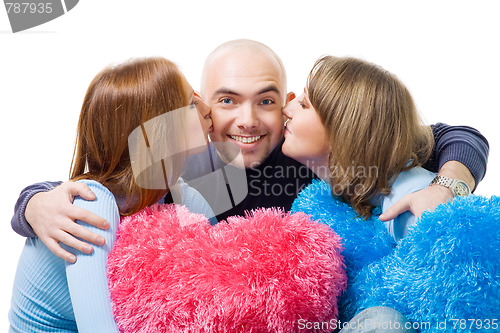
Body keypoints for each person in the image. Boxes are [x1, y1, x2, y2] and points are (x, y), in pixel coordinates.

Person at [10, 40, 489, 262]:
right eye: (226, 101)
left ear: (286, 102)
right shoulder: (183, 162)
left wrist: (447, 186)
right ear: (198, 106)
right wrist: (33, 203)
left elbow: (458, 136)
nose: (247, 120)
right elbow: (105, 184)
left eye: (265, 100)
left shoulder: (307, 147)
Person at [8, 57, 215, 332]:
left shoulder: (186, 200)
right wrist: (30, 204)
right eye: (191, 104)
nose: (207, 108)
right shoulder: (92, 203)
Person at [281, 55, 481, 331]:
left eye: (303, 104)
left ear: (345, 132)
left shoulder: (412, 198)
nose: (287, 107)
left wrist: (447, 185)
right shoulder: (328, 191)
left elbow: (462, 136)